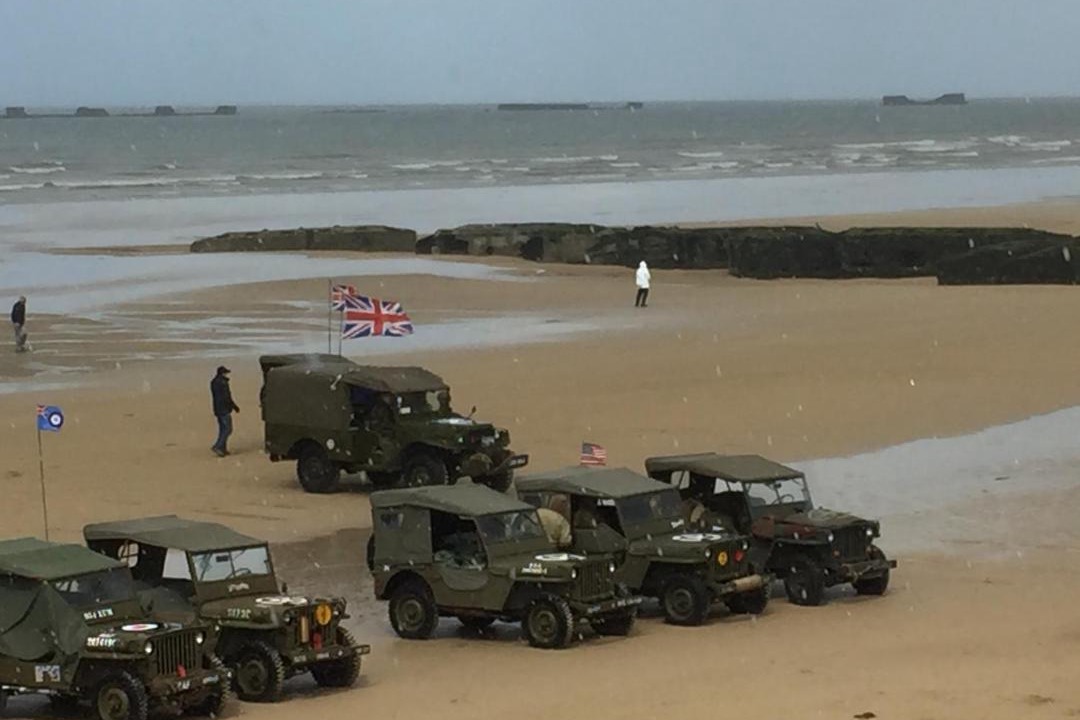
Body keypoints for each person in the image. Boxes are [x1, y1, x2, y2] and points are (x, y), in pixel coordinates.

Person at [210, 366, 240, 457]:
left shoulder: (214, 382)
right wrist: (234, 406)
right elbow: (227, 397)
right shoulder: (223, 383)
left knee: (222, 429)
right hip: (224, 409)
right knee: (228, 429)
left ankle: (223, 449)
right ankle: (218, 446)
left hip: (217, 408)